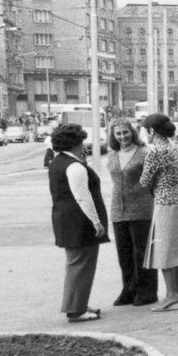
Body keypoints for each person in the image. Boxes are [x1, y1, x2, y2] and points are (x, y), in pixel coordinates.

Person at [48, 123, 109, 323]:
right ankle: (76, 310)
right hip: (79, 222)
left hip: (65, 220)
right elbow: (82, 196)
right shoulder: (74, 166)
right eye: (82, 141)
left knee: (76, 265)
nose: (84, 144)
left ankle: (78, 304)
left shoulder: (58, 162)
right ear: (75, 143)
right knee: (81, 266)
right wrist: (96, 222)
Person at [138, 113, 178, 312]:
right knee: (175, 249)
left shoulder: (155, 151)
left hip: (165, 203)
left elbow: (144, 181)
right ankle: (177, 293)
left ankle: (171, 295)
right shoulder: (175, 147)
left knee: (165, 250)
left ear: (151, 131)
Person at [105, 118, 158, 307]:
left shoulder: (145, 153)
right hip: (118, 209)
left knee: (141, 252)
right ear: (113, 136)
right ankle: (128, 290)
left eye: (125, 132)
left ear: (132, 132)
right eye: (118, 134)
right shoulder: (112, 154)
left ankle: (146, 292)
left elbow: (155, 180)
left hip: (142, 208)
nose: (122, 137)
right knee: (124, 252)